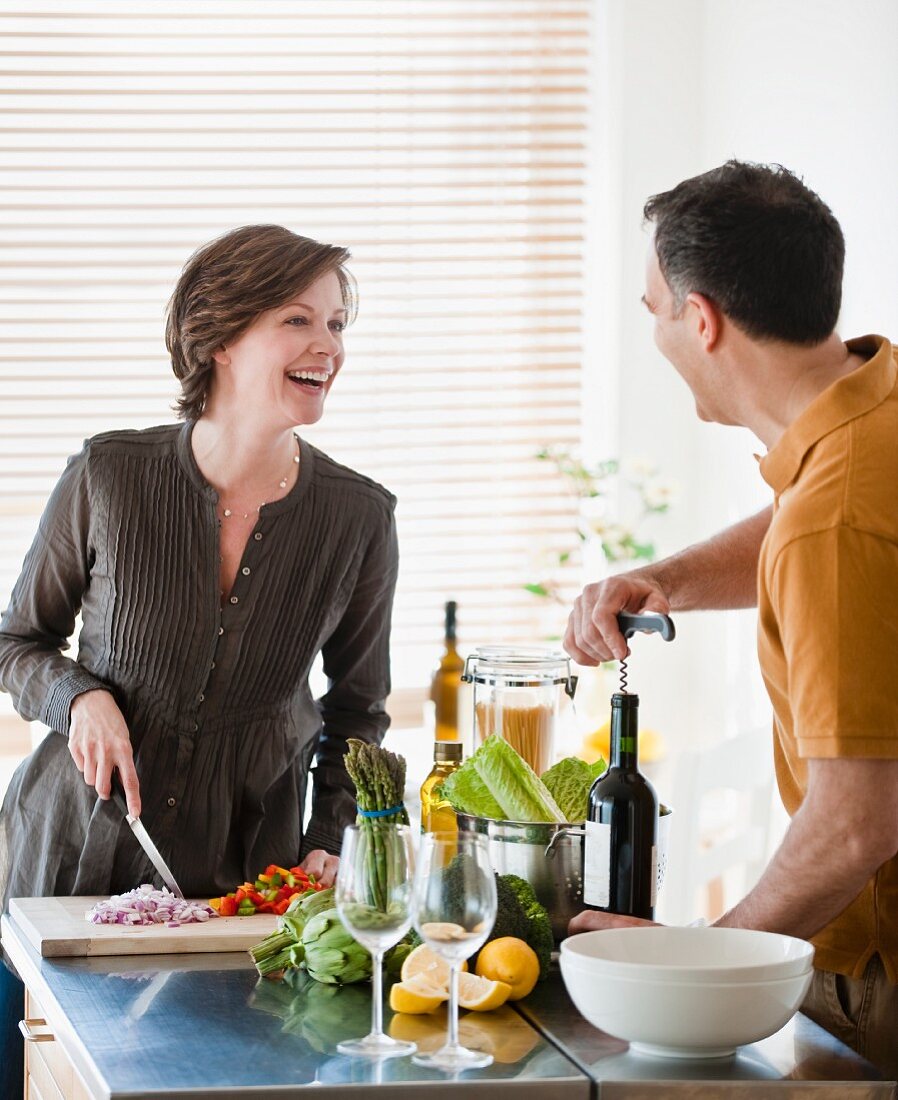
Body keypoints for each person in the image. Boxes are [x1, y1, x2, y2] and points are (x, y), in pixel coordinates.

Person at [0, 225, 399, 1093]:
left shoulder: (359, 519)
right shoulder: (109, 475)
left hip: (241, 887)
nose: (328, 345)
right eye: (299, 320)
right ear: (220, 337)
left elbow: (360, 710)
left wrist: (334, 839)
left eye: (338, 324)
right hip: (66, 862)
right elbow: (15, 642)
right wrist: (77, 697)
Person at [565, 161, 898, 1076]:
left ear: (701, 319)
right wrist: (662, 577)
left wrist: (696, 963)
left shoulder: (833, 517)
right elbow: (821, 518)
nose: (659, 335)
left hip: (883, 971)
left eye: (653, 311)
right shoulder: (877, 405)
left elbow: (857, 826)